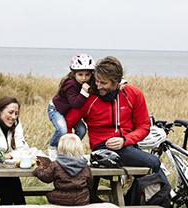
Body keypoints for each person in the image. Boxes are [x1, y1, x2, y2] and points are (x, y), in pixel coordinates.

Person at [62, 56, 167, 189]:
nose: (98, 86)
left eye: (104, 83)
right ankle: (160, 202)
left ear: (117, 82)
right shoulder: (88, 98)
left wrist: (125, 140)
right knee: (154, 162)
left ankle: (137, 203)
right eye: (97, 81)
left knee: (150, 172)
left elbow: (144, 126)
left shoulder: (133, 93)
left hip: (128, 145)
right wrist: (69, 151)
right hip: (102, 148)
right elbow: (68, 122)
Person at [47, 54, 95, 153]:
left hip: (66, 110)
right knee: (62, 130)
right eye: (80, 75)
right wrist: (84, 92)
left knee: (81, 130)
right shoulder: (71, 85)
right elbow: (75, 104)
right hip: (56, 109)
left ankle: (70, 148)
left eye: (87, 75)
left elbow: (100, 79)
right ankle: (52, 147)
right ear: (74, 74)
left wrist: (120, 81)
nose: (84, 78)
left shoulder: (87, 82)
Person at [32, 134, 92, 207]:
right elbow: (90, 183)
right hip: (81, 199)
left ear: (61, 148)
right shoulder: (85, 166)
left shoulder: (57, 164)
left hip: (60, 199)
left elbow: (45, 177)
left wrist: (37, 169)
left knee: (50, 195)